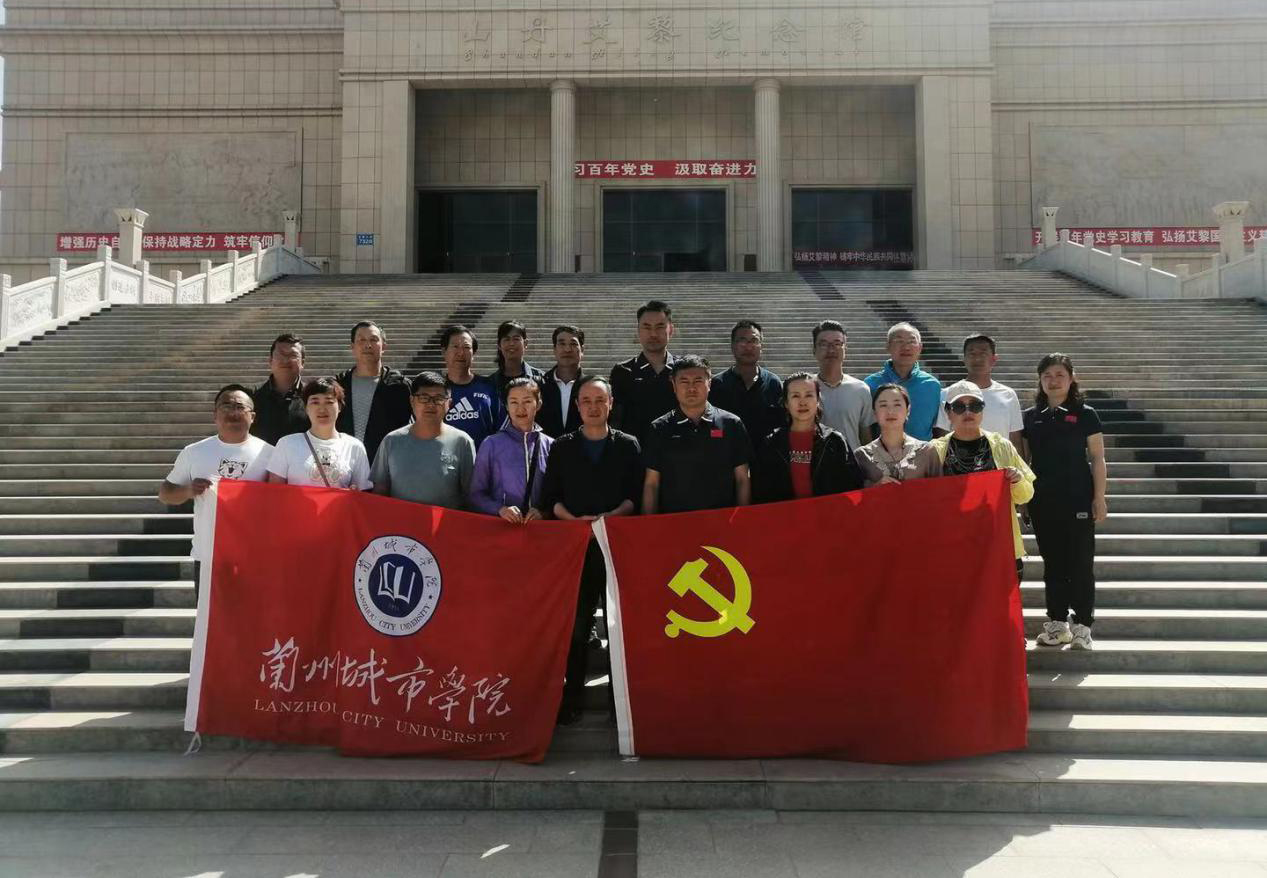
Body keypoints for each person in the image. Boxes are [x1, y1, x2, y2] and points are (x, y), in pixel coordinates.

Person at [540, 375, 643, 725]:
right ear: (577, 406)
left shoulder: (628, 445)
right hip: (576, 549)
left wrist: (610, 518)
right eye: (586, 401)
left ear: (611, 404)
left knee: (617, 627)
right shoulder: (562, 447)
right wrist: (574, 522)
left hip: (616, 547)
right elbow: (550, 498)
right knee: (577, 626)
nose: (593, 407)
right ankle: (571, 699)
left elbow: (635, 495)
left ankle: (620, 704)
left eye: (600, 400)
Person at [1024, 353, 1107, 651]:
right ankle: (1058, 623)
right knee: (1053, 564)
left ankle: (1083, 626)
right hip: (1043, 500)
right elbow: (1024, 461)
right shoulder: (1030, 416)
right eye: (1047, 375)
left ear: (1071, 379)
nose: (1053, 380)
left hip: (1078, 498)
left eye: (1060, 374)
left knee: (1081, 563)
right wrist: (1023, 501)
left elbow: (1097, 457)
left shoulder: (1086, 414)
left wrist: (1099, 497)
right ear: (1040, 380)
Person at [159, 384, 272, 593]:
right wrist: (188, 491)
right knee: (209, 615)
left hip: (255, 557)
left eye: (240, 407)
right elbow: (165, 494)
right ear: (215, 415)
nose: (233, 412)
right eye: (226, 406)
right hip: (208, 556)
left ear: (253, 417)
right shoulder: (194, 452)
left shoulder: (270, 454)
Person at [930, 380, 1035, 580]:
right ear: (948, 413)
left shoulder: (1002, 445)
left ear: (983, 410)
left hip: (997, 545)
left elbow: (1025, 495)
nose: (968, 412)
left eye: (975, 406)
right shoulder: (934, 450)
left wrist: (1017, 480)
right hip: (954, 548)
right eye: (959, 407)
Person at [642, 355, 752, 514]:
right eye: (684, 382)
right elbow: (651, 484)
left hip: (721, 520)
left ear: (709, 384)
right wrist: (648, 523)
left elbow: (742, 478)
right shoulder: (659, 428)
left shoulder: (731, 424)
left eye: (698, 381)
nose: (691, 388)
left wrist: (742, 519)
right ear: (674, 385)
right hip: (674, 521)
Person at [752, 372, 863, 503]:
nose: (802, 402)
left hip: (826, 514)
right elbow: (760, 492)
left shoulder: (834, 441)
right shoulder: (771, 444)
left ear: (818, 400)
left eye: (809, 395)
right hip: (784, 515)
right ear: (786, 403)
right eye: (795, 396)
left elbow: (853, 486)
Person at [371, 371, 475, 509]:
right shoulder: (391, 441)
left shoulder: (462, 442)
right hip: (401, 522)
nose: (431, 404)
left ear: (449, 403)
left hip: (445, 522)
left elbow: (470, 496)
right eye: (424, 398)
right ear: (412, 401)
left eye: (438, 398)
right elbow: (380, 491)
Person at [468, 377, 552, 522]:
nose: (520, 409)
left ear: (538, 404)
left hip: (539, 529)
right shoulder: (491, 444)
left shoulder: (551, 445)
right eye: (514, 402)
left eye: (527, 401)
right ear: (506, 406)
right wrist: (500, 509)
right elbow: (476, 495)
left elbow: (558, 495)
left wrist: (544, 512)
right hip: (502, 528)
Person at [267, 377, 372, 490]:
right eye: (315, 402)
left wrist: (354, 491)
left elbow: (363, 492)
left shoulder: (354, 446)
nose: (322, 409)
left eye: (329, 402)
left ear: (340, 407)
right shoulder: (286, 444)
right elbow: (275, 491)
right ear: (306, 408)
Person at [334, 321, 411, 464]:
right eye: (361, 340)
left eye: (374, 339)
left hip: (388, 465)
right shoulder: (338, 385)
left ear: (384, 347)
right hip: (345, 465)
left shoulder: (400, 387)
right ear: (352, 347)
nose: (368, 345)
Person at [935, 334, 1024, 447]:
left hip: (1000, 458)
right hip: (960, 458)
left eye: (983, 353)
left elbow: (1015, 440)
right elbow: (942, 440)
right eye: (972, 354)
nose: (977, 359)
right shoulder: (947, 394)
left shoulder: (1008, 395)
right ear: (964, 359)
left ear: (994, 359)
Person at [610, 300, 678, 445]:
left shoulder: (683, 370)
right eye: (647, 327)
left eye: (660, 327)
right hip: (635, 452)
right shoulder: (623, 372)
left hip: (677, 451)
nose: (653, 334)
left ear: (671, 330)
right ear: (638, 331)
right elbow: (615, 420)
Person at [708, 319, 783, 450]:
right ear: (732, 346)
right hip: (728, 457)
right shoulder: (717, 385)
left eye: (754, 341)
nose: (748, 347)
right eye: (742, 341)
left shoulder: (773, 383)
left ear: (761, 347)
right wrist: (724, 439)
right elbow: (711, 428)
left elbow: (781, 425)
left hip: (766, 458)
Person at [864, 322, 943, 441]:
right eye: (899, 341)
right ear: (888, 346)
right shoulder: (870, 384)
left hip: (923, 451)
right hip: (882, 451)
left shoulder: (932, 385)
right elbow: (865, 428)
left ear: (920, 347)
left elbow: (939, 429)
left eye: (911, 341)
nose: (906, 347)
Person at [854, 384, 942, 486]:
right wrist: (876, 488)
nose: (890, 411)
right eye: (883, 405)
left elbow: (939, 491)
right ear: (874, 413)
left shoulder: (927, 451)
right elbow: (855, 493)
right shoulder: (862, 456)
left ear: (908, 410)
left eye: (897, 405)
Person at [812, 320, 874, 451]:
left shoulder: (860, 389)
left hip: (851, 461)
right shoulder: (804, 388)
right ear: (814, 349)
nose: (831, 349)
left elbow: (866, 437)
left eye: (837, 343)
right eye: (824, 344)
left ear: (845, 348)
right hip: (814, 460)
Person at [441, 325, 503, 450]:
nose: (460, 353)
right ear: (444, 351)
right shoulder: (435, 390)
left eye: (466, 347)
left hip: (484, 459)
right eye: (455, 346)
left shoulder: (490, 387)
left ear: (473, 353)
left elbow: (502, 430)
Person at [250, 333, 309, 445]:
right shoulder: (252, 396)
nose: (286, 360)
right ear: (270, 361)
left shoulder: (313, 396)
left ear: (303, 362)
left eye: (293, 355)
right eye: (280, 355)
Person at [539, 324, 585, 439]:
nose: (567, 349)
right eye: (562, 344)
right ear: (554, 349)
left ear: (582, 350)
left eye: (573, 344)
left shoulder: (591, 387)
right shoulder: (538, 386)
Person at [491, 320, 546, 401]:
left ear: (525, 343)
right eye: (507, 339)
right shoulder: (490, 383)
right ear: (499, 345)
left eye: (516, 339)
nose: (511, 343)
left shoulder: (541, 379)